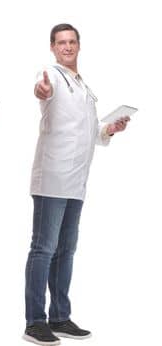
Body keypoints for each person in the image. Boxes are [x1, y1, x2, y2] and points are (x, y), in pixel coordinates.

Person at [20, 23, 128, 346]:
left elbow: (90, 133)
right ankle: (34, 321)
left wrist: (110, 129)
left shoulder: (83, 86)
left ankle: (60, 316)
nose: (67, 47)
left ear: (79, 46)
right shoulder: (50, 76)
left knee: (66, 251)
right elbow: (42, 92)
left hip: (77, 182)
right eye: (61, 42)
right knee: (43, 249)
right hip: (52, 179)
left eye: (72, 42)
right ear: (52, 47)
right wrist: (42, 92)